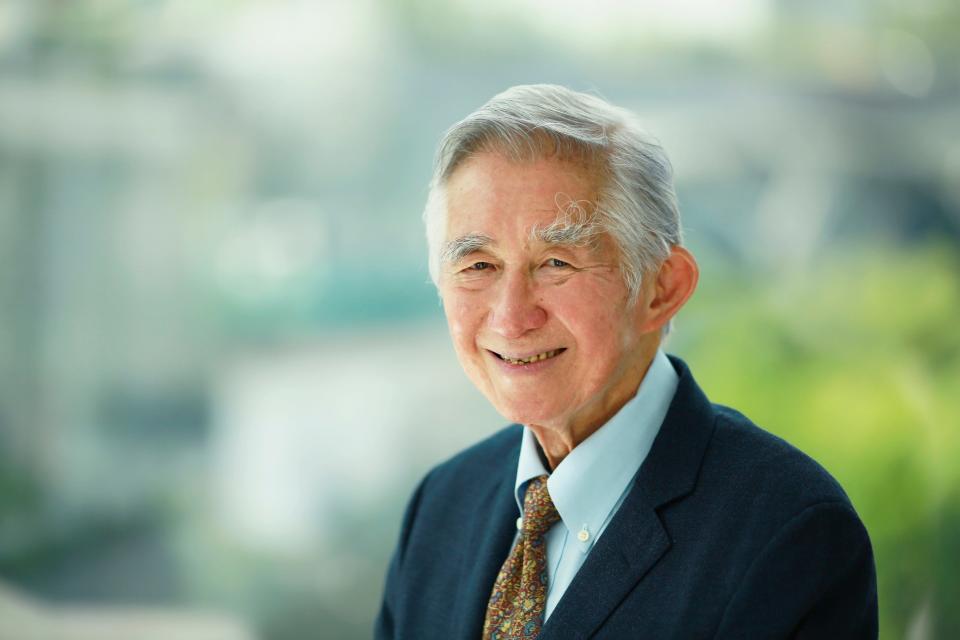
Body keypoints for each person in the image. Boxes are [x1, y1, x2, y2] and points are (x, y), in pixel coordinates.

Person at [375, 84, 877, 639]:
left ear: (663, 288)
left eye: (556, 262)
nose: (511, 317)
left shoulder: (789, 535)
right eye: (477, 266)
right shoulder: (440, 506)